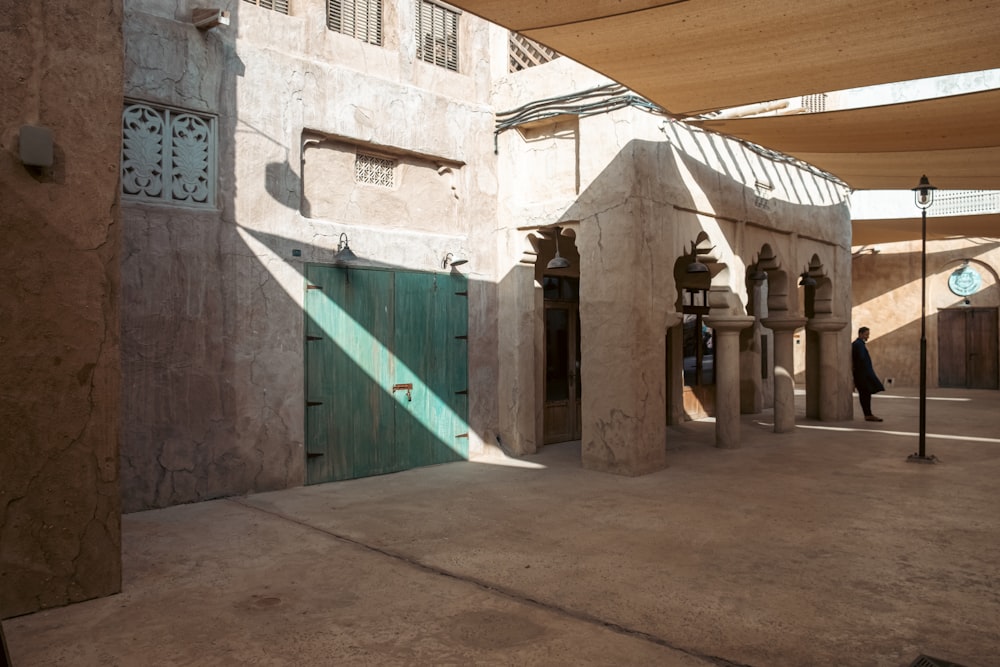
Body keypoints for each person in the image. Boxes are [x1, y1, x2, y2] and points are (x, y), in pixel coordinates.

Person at [852, 326, 885, 422]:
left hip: (862, 374)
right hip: (863, 374)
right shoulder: (859, 344)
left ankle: (868, 414)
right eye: (866, 334)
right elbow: (861, 359)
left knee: (865, 394)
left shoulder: (858, 344)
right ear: (860, 334)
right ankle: (868, 414)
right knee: (865, 394)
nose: (868, 337)